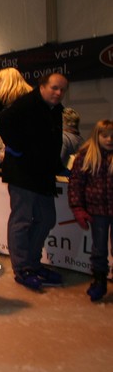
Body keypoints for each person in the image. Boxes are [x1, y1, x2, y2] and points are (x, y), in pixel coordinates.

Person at [0, 72, 68, 291]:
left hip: (43, 174)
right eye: (54, 88)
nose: (59, 93)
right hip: (23, 173)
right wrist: (17, 148)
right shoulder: (27, 103)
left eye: (62, 89)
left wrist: (57, 165)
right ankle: (22, 268)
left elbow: (51, 142)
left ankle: (33, 263)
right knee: (22, 219)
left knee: (46, 218)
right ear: (42, 87)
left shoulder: (55, 110)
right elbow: (2, 121)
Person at [68, 119, 113, 302]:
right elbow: (76, 183)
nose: (109, 139)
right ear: (97, 135)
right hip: (97, 211)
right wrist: (78, 207)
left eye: (112, 136)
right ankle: (99, 280)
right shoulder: (86, 156)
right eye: (105, 136)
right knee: (99, 248)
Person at [0, 68, 32, 166]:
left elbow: (18, 133)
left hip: (16, 160)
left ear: (8, 82)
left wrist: (6, 152)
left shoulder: (23, 103)